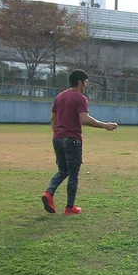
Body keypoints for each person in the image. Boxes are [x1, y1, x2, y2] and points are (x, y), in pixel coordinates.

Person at [42, 69, 118, 215]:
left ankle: (49, 193)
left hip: (57, 138)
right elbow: (85, 119)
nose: (86, 86)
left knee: (63, 170)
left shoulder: (59, 97)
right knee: (73, 173)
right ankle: (70, 207)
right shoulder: (80, 98)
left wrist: (57, 134)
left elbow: (53, 118)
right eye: (86, 82)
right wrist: (105, 125)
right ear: (79, 82)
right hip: (72, 140)